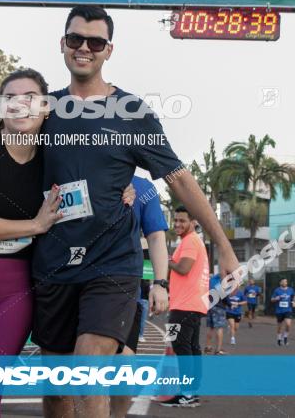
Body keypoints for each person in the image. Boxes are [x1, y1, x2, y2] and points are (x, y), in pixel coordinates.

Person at [0, 6, 239, 418]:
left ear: (109, 50)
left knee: (87, 369)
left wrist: (225, 246)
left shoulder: (134, 113)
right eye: (76, 39)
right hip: (53, 264)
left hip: (112, 264)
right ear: (63, 44)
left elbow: (179, 179)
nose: (84, 48)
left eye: (95, 42)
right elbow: (1, 131)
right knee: (56, 390)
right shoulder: (45, 108)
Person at [0, 69, 134, 417]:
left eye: (30, 98)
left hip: (16, 286)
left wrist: (126, 188)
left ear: (46, 108)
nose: (20, 105)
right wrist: (35, 224)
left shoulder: (55, 158)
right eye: (11, 98)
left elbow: (98, 178)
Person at [110, 175, 169, 418]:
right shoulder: (77, 169)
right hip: (75, 286)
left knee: (123, 366)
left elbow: (155, 236)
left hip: (124, 290)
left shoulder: (143, 188)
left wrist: (160, 283)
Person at [161, 207, 209, 408]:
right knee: (191, 348)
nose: (178, 224)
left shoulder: (190, 241)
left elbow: (183, 268)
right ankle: (191, 392)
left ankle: (187, 394)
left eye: (182, 221)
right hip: (193, 303)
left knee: (183, 349)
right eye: (176, 221)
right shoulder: (194, 240)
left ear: (193, 222)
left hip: (185, 304)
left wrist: (165, 258)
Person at [205, 272, 228, 355]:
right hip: (219, 306)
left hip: (210, 306)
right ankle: (218, 349)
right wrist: (228, 303)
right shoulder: (222, 281)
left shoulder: (211, 280)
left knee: (210, 327)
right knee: (219, 328)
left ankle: (208, 347)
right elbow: (224, 296)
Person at [271, 278, 295, 346]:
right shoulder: (277, 290)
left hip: (288, 310)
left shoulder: (290, 289)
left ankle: (285, 337)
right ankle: (279, 339)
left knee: (288, 324)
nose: (285, 282)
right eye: (284, 281)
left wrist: (294, 302)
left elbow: (294, 296)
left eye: (286, 281)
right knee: (279, 326)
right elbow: (272, 299)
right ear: (280, 283)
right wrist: (275, 299)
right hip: (279, 311)